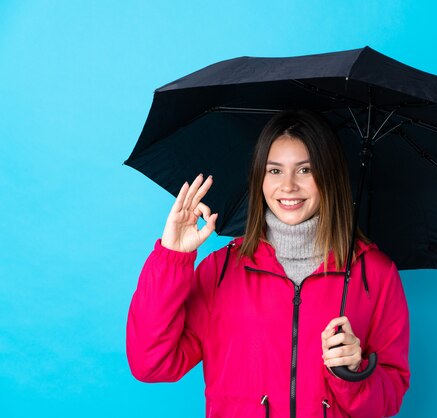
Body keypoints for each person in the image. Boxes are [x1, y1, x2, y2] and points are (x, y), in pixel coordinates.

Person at [126, 110, 410, 417]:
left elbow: (389, 400)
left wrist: (354, 372)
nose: (288, 186)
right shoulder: (220, 271)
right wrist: (172, 257)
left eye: (305, 170)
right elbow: (150, 364)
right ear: (258, 177)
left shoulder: (375, 273)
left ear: (329, 175)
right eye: (274, 171)